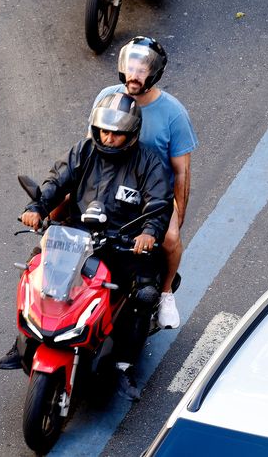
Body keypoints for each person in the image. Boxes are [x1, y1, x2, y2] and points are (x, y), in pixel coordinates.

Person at [0, 94, 173, 400]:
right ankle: (24, 342)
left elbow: (158, 204)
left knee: (144, 294)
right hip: (78, 234)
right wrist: (37, 207)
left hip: (124, 244)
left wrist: (148, 233)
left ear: (131, 134)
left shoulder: (148, 163)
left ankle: (124, 364)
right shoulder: (84, 150)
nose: (108, 138)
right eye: (104, 130)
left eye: (116, 133)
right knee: (37, 267)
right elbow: (56, 181)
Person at [93, 36, 196, 329]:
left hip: (153, 191)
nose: (134, 76)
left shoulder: (173, 113)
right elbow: (91, 147)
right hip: (110, 182)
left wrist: (177, 215)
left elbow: (181, 172)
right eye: (130, 68)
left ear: (154, 73)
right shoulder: (108, 97)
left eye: (141, 70)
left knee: (171, 240)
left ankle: (165, 293)